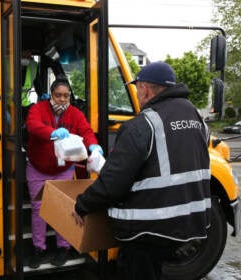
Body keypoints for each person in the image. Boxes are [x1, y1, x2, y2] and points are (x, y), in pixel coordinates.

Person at [73, 62, 211, 279]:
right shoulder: (195, 116)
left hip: (148, 228)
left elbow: (112, 183)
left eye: (137, 89)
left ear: (145, 89)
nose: (137, 94)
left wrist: (82, 205)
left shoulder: (142, 124)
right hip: (189, 221)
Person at [25, 78, 103, 268]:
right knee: (38, 209)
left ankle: (64, 248)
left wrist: (93, 145)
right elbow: (32, 125)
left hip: (63, 169)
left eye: (66, 96)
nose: (61, 99)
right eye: (58, 95)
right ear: (51, 95)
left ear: (70, 96)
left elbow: (86, 131)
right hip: (37, 167)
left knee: (65, 209)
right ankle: (39, 249)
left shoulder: (74, 113)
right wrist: (52, 132)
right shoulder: (38, 108)